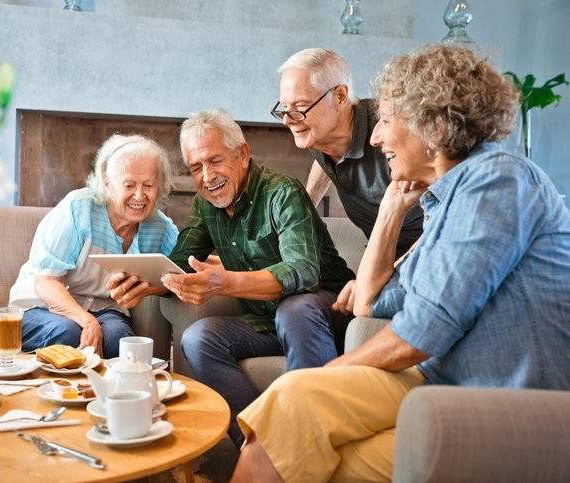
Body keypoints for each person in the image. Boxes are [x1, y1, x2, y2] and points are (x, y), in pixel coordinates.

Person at [232, 44, 570, 482]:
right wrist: (391, 207)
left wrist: (326, 375)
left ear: (431, 124)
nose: (375, 137)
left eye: (386, 120)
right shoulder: (443, 202)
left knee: (307, 424)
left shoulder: (496, 180)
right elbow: (370, 302)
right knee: (294, 423)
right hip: (441, 383)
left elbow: (424, 331)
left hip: (505, 397)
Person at [109, 108, 355, 447]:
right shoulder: (206, 204)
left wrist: (226, 282)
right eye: (196, 168)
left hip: (329, 313)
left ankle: (312, 440)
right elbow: (180, 263)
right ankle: (259, 445)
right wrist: (143, 284)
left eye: (214, 161)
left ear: (242, 154)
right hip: (267, 321)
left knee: (294, 309)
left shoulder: (282, 193)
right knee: (199, 338)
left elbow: (304, 271)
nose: (207, 176)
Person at [8, 133, 178, 358]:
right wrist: (88, 322)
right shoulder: (79, 209)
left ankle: (113, 393)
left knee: (119, 339)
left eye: (149, 185)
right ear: (107, 184)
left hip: (105, 309)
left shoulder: (161, 228)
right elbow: (46, 282)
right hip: (40, 306)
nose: (139, 195)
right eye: (129, 185)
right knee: (68, 333)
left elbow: (179, 273)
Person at [274, 48, 423, 258]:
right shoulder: (318, 133)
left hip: (423, 251)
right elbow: (324, 157)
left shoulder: (389, 131)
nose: (288, 120)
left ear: (340, 97)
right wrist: (307, 207)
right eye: (285, 107)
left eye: (300, 106)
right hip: (381, 250)